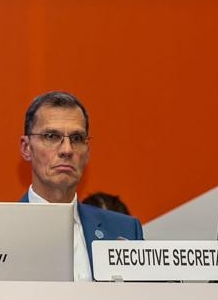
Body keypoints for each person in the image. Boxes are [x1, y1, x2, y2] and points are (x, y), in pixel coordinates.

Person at [19, 90, 143, 281]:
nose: (67, 150)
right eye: (51, 136)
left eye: (76, 138)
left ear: (87, 152)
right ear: (26, 148)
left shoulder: (124, 231)